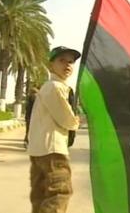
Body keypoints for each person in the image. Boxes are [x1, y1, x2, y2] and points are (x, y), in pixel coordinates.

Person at [27, 46, 81, 213]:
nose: (67, 64)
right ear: (51, 66)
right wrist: (77, 120)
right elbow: (67, 120)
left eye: (71, 61)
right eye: (62, 60)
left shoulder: (48, 87)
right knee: (59, 193)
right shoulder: (55, 87)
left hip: (38, 151)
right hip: (53, 151)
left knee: (40, 197)